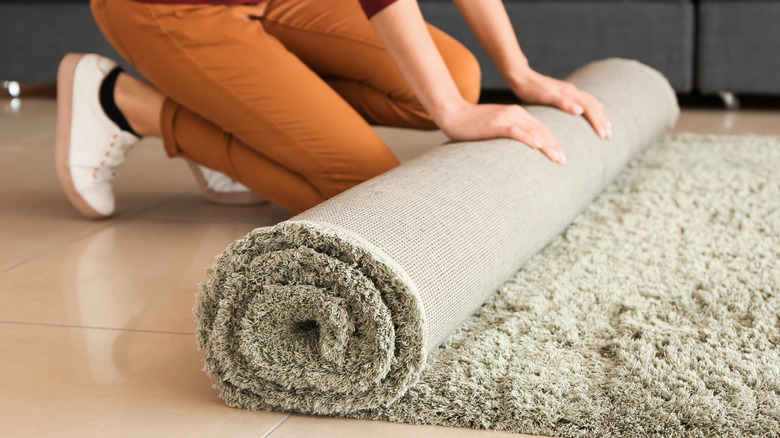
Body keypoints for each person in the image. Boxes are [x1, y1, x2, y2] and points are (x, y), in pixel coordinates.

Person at [55, 0, 610, 219]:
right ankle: (123, 105)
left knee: (458, 77)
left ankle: (231, 102)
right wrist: (453, 112)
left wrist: (518, 71)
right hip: (174, 8)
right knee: (369, 196)